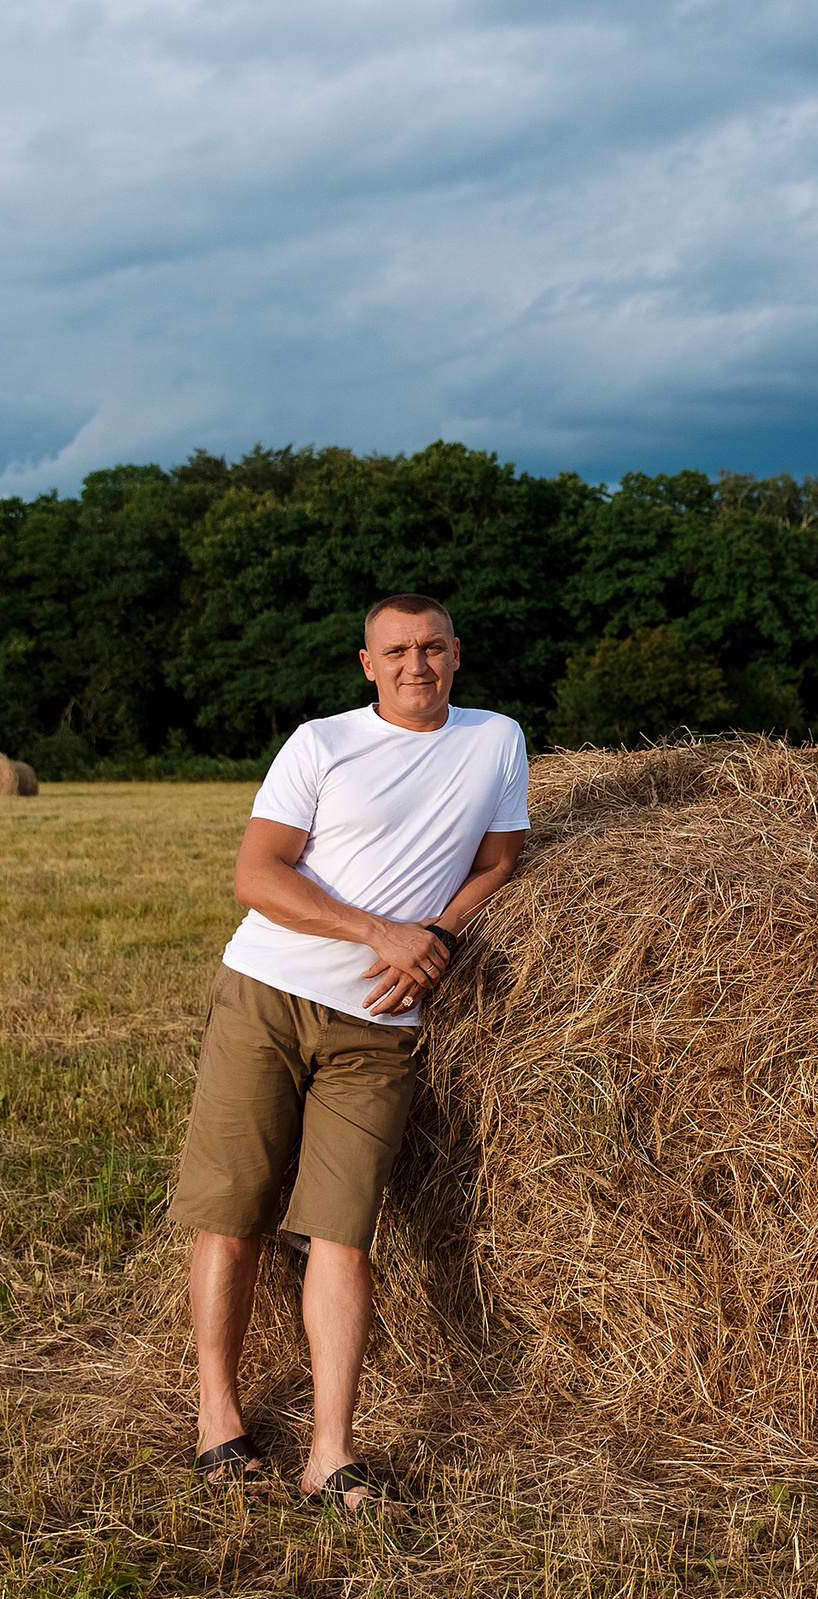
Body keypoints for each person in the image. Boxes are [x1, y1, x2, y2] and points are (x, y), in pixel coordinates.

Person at [170, 593, 528, 1510]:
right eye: (396, 650)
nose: (417, 664)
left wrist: (438, 936)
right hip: (268, 994)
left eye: (432, 647)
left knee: (343, 1231)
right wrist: (381, 932)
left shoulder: (496, 740)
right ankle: (218, 1420)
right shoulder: (321, 744)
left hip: (380, 1027)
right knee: (233, 1212)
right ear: (368, 663)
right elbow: (256, 874)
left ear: (458, 653)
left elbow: (499, 861)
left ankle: (331, 1451)